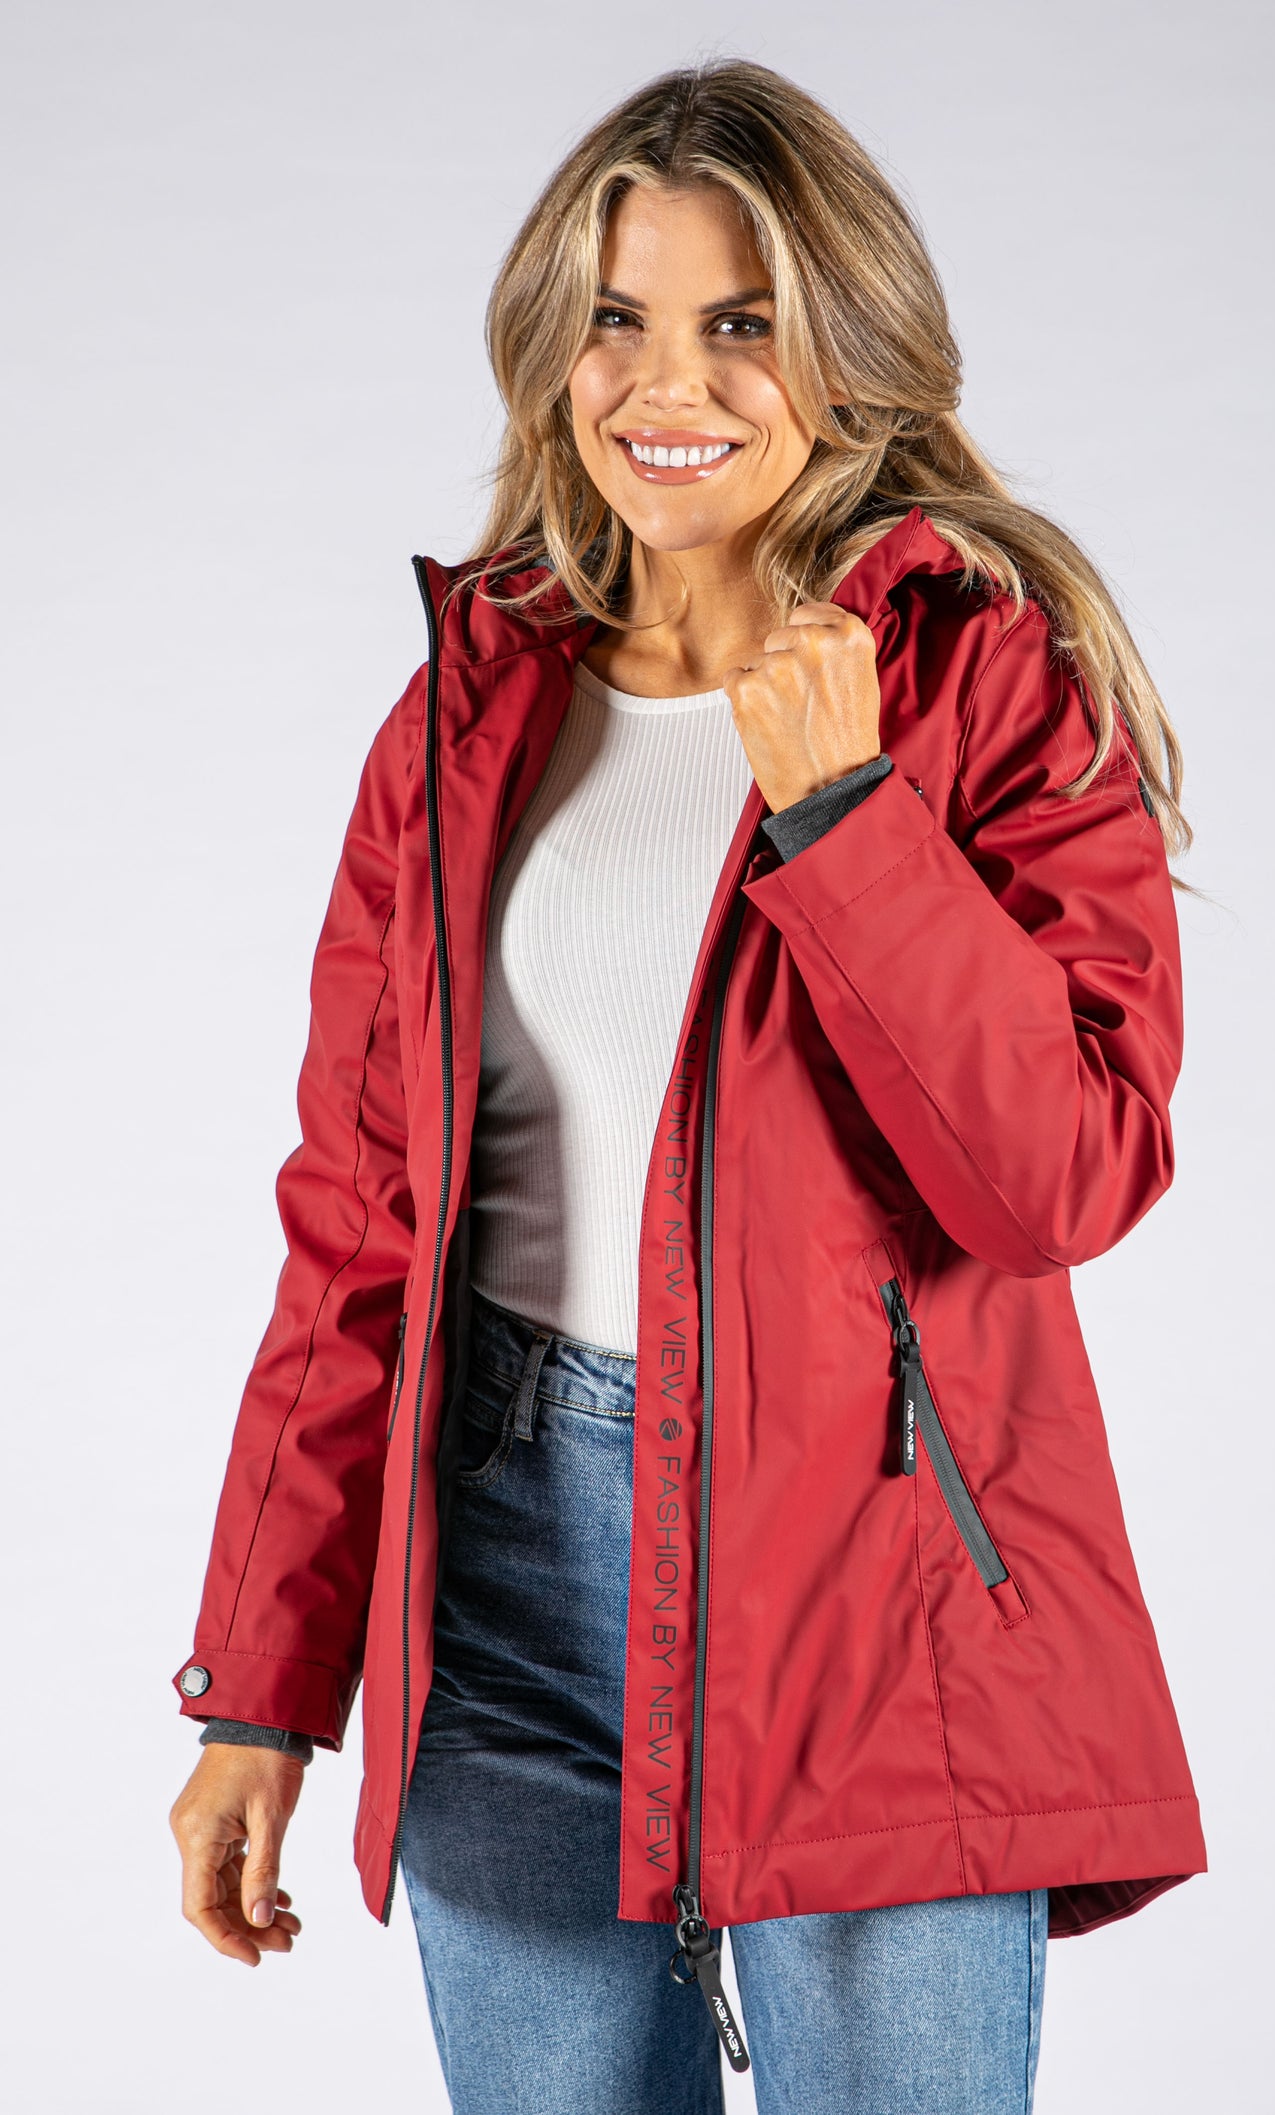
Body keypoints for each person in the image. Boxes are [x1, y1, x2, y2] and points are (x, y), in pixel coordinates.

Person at [167, 58, 1205, 2115]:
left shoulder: (988, 679)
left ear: (846, 343)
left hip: (882, 1592)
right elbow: (359, 1223)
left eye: (741, 321)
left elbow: (1066, 1174)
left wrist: (845, 812)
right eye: (617, 317)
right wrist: (260, 1686)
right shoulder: (471, 715)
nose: (670, 383)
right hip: (504, 1587)